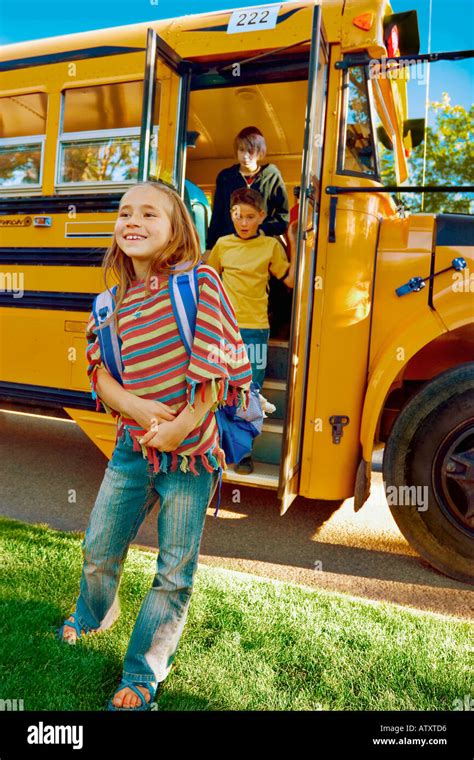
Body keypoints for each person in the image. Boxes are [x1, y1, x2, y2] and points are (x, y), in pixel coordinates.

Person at [56, 181, 253, 711]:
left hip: (191, 454)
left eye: (149, 213)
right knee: (99, 545)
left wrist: (181, 424)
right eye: (124, 212)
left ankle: (144, 673)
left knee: (173, 569)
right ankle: (96, 612)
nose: (132, 221)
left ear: (175, 231)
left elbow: (218, 362)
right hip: (132, 447)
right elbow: (99, 375)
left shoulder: (199, 282)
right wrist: (140, 411)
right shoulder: (109, 304)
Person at [206, 187, 295, 474]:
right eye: (237, 216)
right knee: (217, 386)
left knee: (249, 391)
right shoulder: (222, 244)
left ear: (261, 217)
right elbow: (209, 283)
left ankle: (243, 452)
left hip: (255, 329)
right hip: (223, 328)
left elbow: (291, 281)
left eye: (249, 217)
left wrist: (295, 240)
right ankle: (213, 445)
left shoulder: (270, 246)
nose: (242, 222)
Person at [205, 126, 289, 250]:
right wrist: (210, 247)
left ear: (260, 152)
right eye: (241, 150)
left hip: (260, 246)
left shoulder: (272, 176)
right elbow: (217, 215)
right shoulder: (226, 177)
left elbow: (283, 215)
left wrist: (262, 230)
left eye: (250, 151)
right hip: (230, 246)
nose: (245, 156)